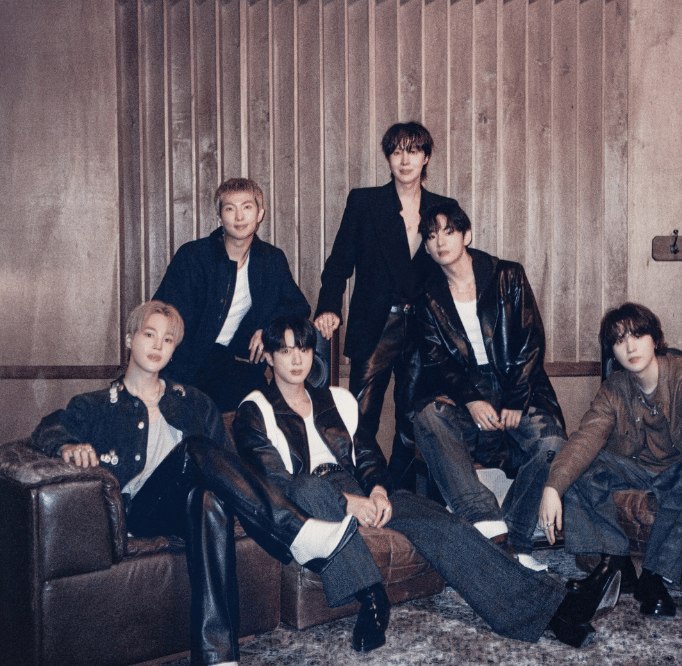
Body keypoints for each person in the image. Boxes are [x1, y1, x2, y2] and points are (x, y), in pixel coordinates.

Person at [232, 315, 620, 652]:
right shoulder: (255, 409)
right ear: (269, 357)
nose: (296, 359)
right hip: (310, 497)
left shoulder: (339, 399)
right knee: (307, 488)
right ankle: (372, 600)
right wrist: (348, 502)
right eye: (285, 351)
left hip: (360, 488)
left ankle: (553, 611)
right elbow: (277, 481)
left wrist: (377, 491)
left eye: (303, 349)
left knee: (446, 523)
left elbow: (368, 458)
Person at [31, 301, 358, 666]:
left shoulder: (195, 403)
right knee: (194, 449)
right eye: (149, 334)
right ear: (129, 339)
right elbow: (48, 428)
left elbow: (227, 468)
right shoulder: (95, 405)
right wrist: (67, 445)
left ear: (174, 350)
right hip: (139, 512)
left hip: (187, 512)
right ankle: (296, 530)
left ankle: (218, 657)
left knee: (207, 499)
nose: (158, 345)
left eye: (168, 339)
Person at [538, 303, 682, 618]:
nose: (630, 347)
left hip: (681, 469)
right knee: (577, 470)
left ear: (656, 339)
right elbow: (585, 439)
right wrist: (552, 487)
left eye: (638, 335)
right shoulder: (614, 388)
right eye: (619, 340)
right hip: (638, 468)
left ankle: (653, 578)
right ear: (612, 351)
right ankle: (615, 564)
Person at [411, 201, 566, 572]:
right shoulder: (425, 295)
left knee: (552, 444)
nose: (439, 242)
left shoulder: (507, 275)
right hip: (466, 393)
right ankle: (487, 522)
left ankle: (513, 539)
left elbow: (530, 341)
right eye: (431, 236)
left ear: (466, 235)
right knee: (428, 418)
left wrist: (515, 398)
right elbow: (437, 361)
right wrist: (471, 399)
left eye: (448, 232)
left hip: (518, 386)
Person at [314, 122, 457, 492]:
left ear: (426, 157)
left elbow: (455, 269)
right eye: (396, 152)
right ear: (388, 158)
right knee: (360, 416)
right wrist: (328, 307)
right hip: (376, 324)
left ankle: (401, 494)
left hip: (424, 328)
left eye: (413, 151)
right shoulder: (365, 202)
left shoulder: (443, 208)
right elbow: (339, 263)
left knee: (412, 420)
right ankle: (361, 488)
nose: (404, 160)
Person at [154, 177, 311, 412]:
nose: (239, 217)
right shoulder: (193, 256)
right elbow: (162, 313)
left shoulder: (271, 259)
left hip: (236, 365)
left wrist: (268, 328)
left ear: (260, 214)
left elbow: (298, 306)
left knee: (261, 411)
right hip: (187, 364)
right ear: (219, 216)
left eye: (247, 207)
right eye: (230, 209)